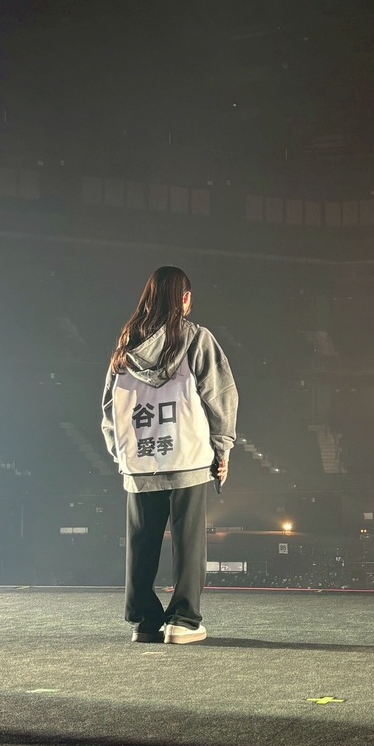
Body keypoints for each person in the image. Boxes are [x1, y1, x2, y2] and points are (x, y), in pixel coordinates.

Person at [101, 265, 237, 644]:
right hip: (188, 457)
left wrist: (122, 456)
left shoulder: (125, 350)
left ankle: (145, 622)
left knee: (141, 542)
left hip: (141, 458)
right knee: (188, 543)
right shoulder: (197, 339)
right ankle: (183, 621)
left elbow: (110, 411)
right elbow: (221, 397)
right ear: (185, 299)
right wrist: (222, 448)